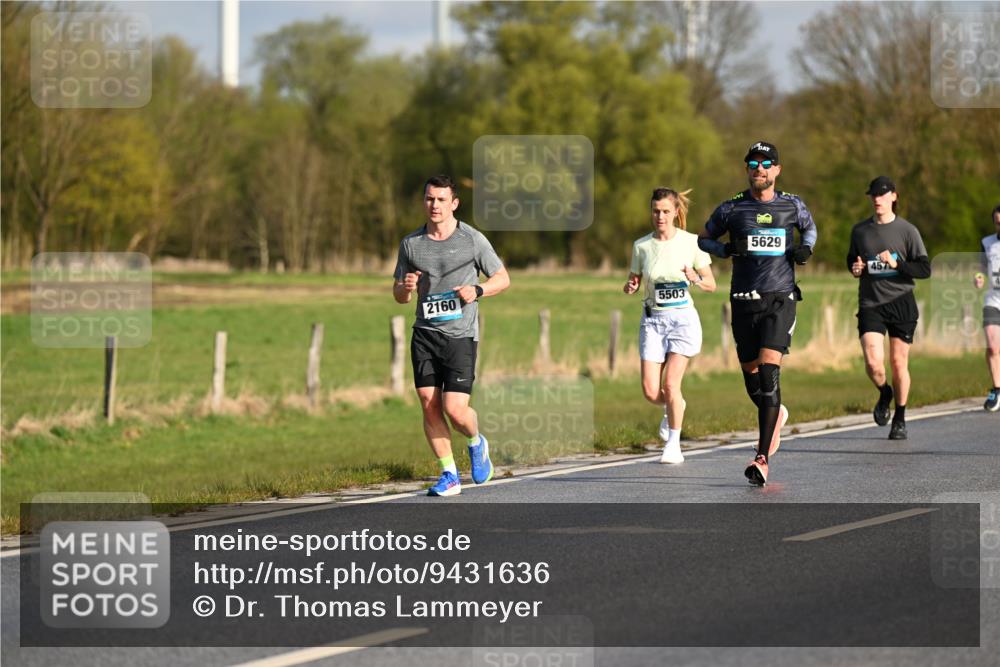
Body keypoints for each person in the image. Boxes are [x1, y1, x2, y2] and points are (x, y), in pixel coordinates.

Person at [698, 141, 817, 486]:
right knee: (752, 377)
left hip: (779, 299)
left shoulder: (792, 205)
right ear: (747, 168)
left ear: (777, 169)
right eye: (753, 162)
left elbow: (809, 228)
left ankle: (762, 457)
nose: (759, 168)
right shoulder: (732, 208)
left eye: (766, 163)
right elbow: (703, 238)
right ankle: (775, 413)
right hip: (742, 299)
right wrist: (722, 248)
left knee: (768, 374)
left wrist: (806, 247)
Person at [393, 175, 511, 496]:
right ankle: (449, 474)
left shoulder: (472, 240)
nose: (435, 205)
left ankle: (476, 441)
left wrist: (478, 289)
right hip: (425, 333)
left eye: (441, 200)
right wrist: (404, 289)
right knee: (428, 403)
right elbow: (400, 296)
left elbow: (502, 278)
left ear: (454, 203)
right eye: (430, 199)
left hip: (460, 335)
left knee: (456, 410)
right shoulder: (411, 244)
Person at [624, 188, 716, 464]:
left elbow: (712, 284)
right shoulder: (641, 246)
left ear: (676, 212)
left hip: (682, 321)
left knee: (671, 384)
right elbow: (633, 280)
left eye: (665, 211)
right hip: (652, 322)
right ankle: (676, 407)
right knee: (652, 391)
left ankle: (674, 444)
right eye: (655, 211)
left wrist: (695, 278)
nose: (660, 216)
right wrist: (630, 286)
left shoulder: (692, 243)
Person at [847, 176, 931, 439]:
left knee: (897, 362)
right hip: (871, 302)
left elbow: (924, 269)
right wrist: (855, 268)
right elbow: (852, 259)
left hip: (901, 302)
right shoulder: (860, 231)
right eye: (873, 195)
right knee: (874, 364)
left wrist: (898, 265)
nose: (877, 199)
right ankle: (885, 392)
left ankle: (900, 417)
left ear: (894, 197)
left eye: (882, 195)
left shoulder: (908, 231)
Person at [974, 204, 1000, 412]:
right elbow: (981, 269)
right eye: (998, 223)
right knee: (992, 346)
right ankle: (997, 390)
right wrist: (979, 279)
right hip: (993, 300)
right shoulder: (987, 243)